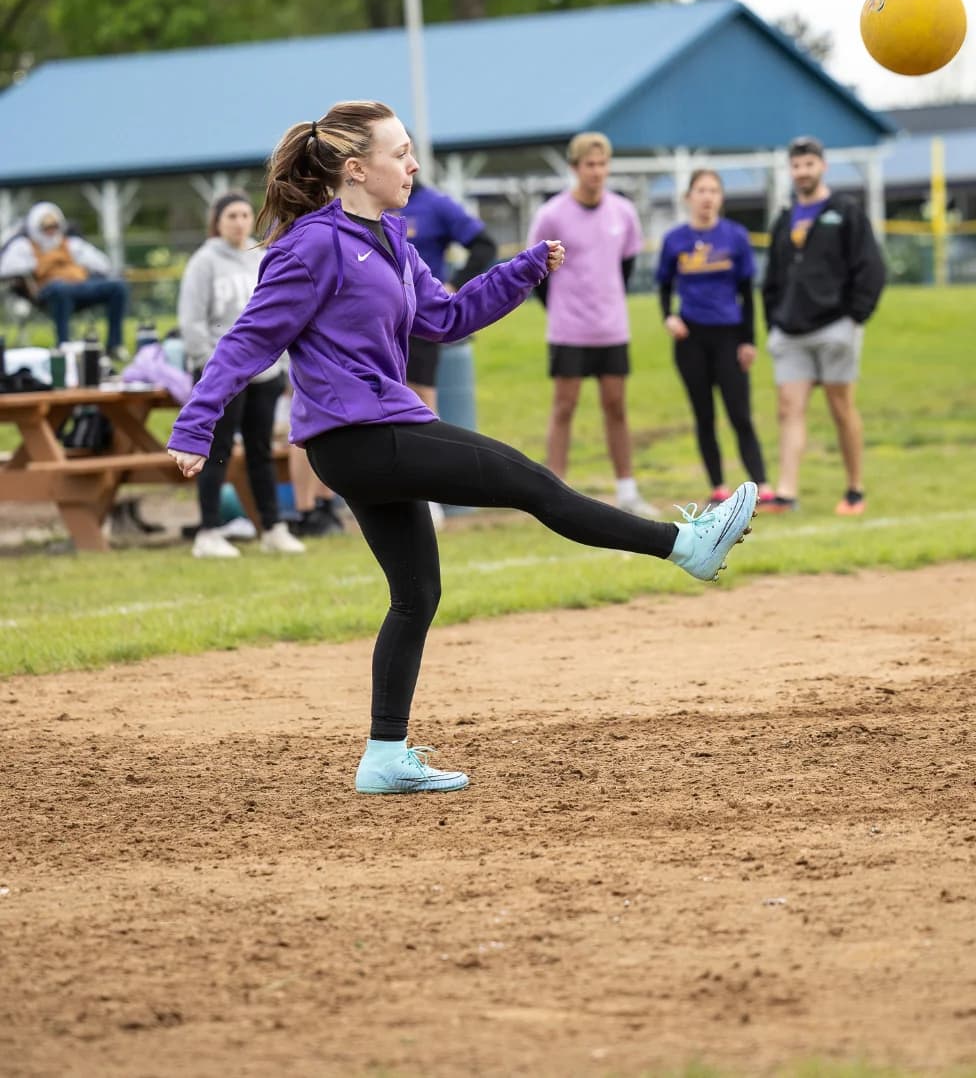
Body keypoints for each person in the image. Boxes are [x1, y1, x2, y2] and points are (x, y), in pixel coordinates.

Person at [167, 101, 758, 795]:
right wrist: (195, 424)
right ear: (356, 170)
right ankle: (685, 544)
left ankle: (384, 756)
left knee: (417, 594)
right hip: (360, 435)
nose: (413, 165)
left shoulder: (390, 236)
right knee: (531, 483)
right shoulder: (311, 244)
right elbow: (248, 340)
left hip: (373, 432)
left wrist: (525, 269)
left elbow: (445, 318)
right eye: (400, 153)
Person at [527, 132, 656, 516]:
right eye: (589, 165)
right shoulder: (552, 214)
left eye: (602, 164)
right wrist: (565, 309)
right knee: (564, 407)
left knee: (616, 406)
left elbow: (627, 266)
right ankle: (554, 493)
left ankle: (627, 489)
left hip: (612, 328)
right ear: (574, 168)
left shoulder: (623, 212)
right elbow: (536, 273)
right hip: (569, 330)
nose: (597, 172)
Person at [177, 191, 306, 559]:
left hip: (265, 372)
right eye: (231, 215)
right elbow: (192, 320)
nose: (239, 221)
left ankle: (272, 527)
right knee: (215, 451)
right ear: (217, 221)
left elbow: (279, 313)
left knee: (260, 451)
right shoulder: (204, 262)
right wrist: (209, 367)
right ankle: (209, 531)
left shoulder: (261, 256)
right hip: (223, 373)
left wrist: (280, 362)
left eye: (245, 214)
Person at [761, 136, 886, 516]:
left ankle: (854, 490)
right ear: (790, 171)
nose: (803, 172)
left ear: (823, 166)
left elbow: (872, 268)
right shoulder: (784, 219)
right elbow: (773, 278)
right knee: (788, 408)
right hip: (791, 332)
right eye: (797, 166)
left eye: (809, 164)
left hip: (836, 326)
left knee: (840, 407)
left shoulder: (844, 211)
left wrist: (855, 316)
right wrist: (774, 321)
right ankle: (786, 493)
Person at [656, 169, 776, 508]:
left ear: (721, 197)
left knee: (740, 412)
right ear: (688, 198)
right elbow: (664, 286)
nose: (707, 197)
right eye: (700, 190)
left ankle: (761, 484)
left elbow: (747, 293)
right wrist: (669, 316)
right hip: (691, 337)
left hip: (728, 335)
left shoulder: (735, 237)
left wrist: (748, 340)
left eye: (713, 190)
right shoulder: (674, 239)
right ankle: (718, 486)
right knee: (704, 414)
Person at [401, 177, 497, 528]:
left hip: (420, 319)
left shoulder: (434, 204)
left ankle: (429, 494)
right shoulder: (360, 202)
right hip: (374, 319)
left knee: (421, 400)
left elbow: (484, 244)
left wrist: (455, 284)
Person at [0, 201, 128, 355]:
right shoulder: (23, 246)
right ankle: (64, 345)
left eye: (54, 226)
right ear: (35, 227)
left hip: (81, 287)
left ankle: (114, 345)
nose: (51, 231)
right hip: (49, 292)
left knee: (118, 286)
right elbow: (6, 269)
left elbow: (103, 264)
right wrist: (40, 263)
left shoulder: (72, 244)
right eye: (46, 227)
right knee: (60, 288)